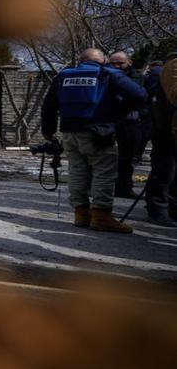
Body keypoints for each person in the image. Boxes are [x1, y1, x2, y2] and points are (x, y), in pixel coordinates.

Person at [40, 47, 148, 233]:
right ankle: (101, 215)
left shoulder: (63, 75)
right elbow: (140, 95)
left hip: (70, 132)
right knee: (103, 172)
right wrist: (119, 112)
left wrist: (48, 132)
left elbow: (48, 106)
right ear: (103, 61)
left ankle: (81, 214)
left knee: (77, 171)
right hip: (100, 133)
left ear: (80, 60)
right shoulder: (108, 73)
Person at [143, 55, 177, 227]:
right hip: (167, 131)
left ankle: (172, 210)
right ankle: (158, 210)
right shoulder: (174, 65)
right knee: (165, 172)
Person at [108, 51, 147, 197]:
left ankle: (123, 187)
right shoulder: (105, 76)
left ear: (129, 62)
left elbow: (145, 98)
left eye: (120, 63)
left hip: (130, 122)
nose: (117, 66)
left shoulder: (139, 77)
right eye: (113, 63)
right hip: (109, 120)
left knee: (128, 157)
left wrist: (141, 114)